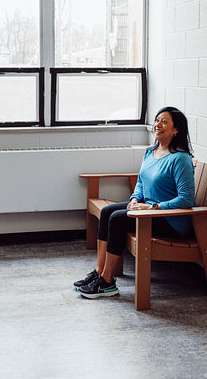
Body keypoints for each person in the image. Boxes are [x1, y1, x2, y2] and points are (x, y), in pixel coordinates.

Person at [74, 106, 195, 299]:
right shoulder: (151, 152)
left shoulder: (180, 159)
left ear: (176, 130)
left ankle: (107, 282)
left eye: (164, 121)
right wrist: (135, 199)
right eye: (157, 120)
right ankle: (99, 272)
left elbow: (187, 199)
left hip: (171, 220)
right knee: (107, 212)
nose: (158, 124)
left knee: (117, 219)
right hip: (148, 210)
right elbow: (141, 182)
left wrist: (152, 206)